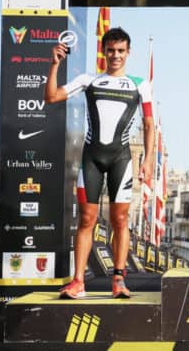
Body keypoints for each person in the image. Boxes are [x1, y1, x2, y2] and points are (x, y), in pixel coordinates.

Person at [45, 27, 154, 299]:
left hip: (122, 158)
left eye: (120, 51)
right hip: (91, 157)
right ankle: (78, 281)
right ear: (103, 51)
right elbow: (52, 97)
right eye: (111, 50)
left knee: (120, 220)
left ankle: (118, 281)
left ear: (128, 53)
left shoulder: (139, 83)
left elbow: (149, 124)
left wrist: (149, 160)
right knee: (87, 220)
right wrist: (54, 64)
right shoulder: (88, 80)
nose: (115, 55)